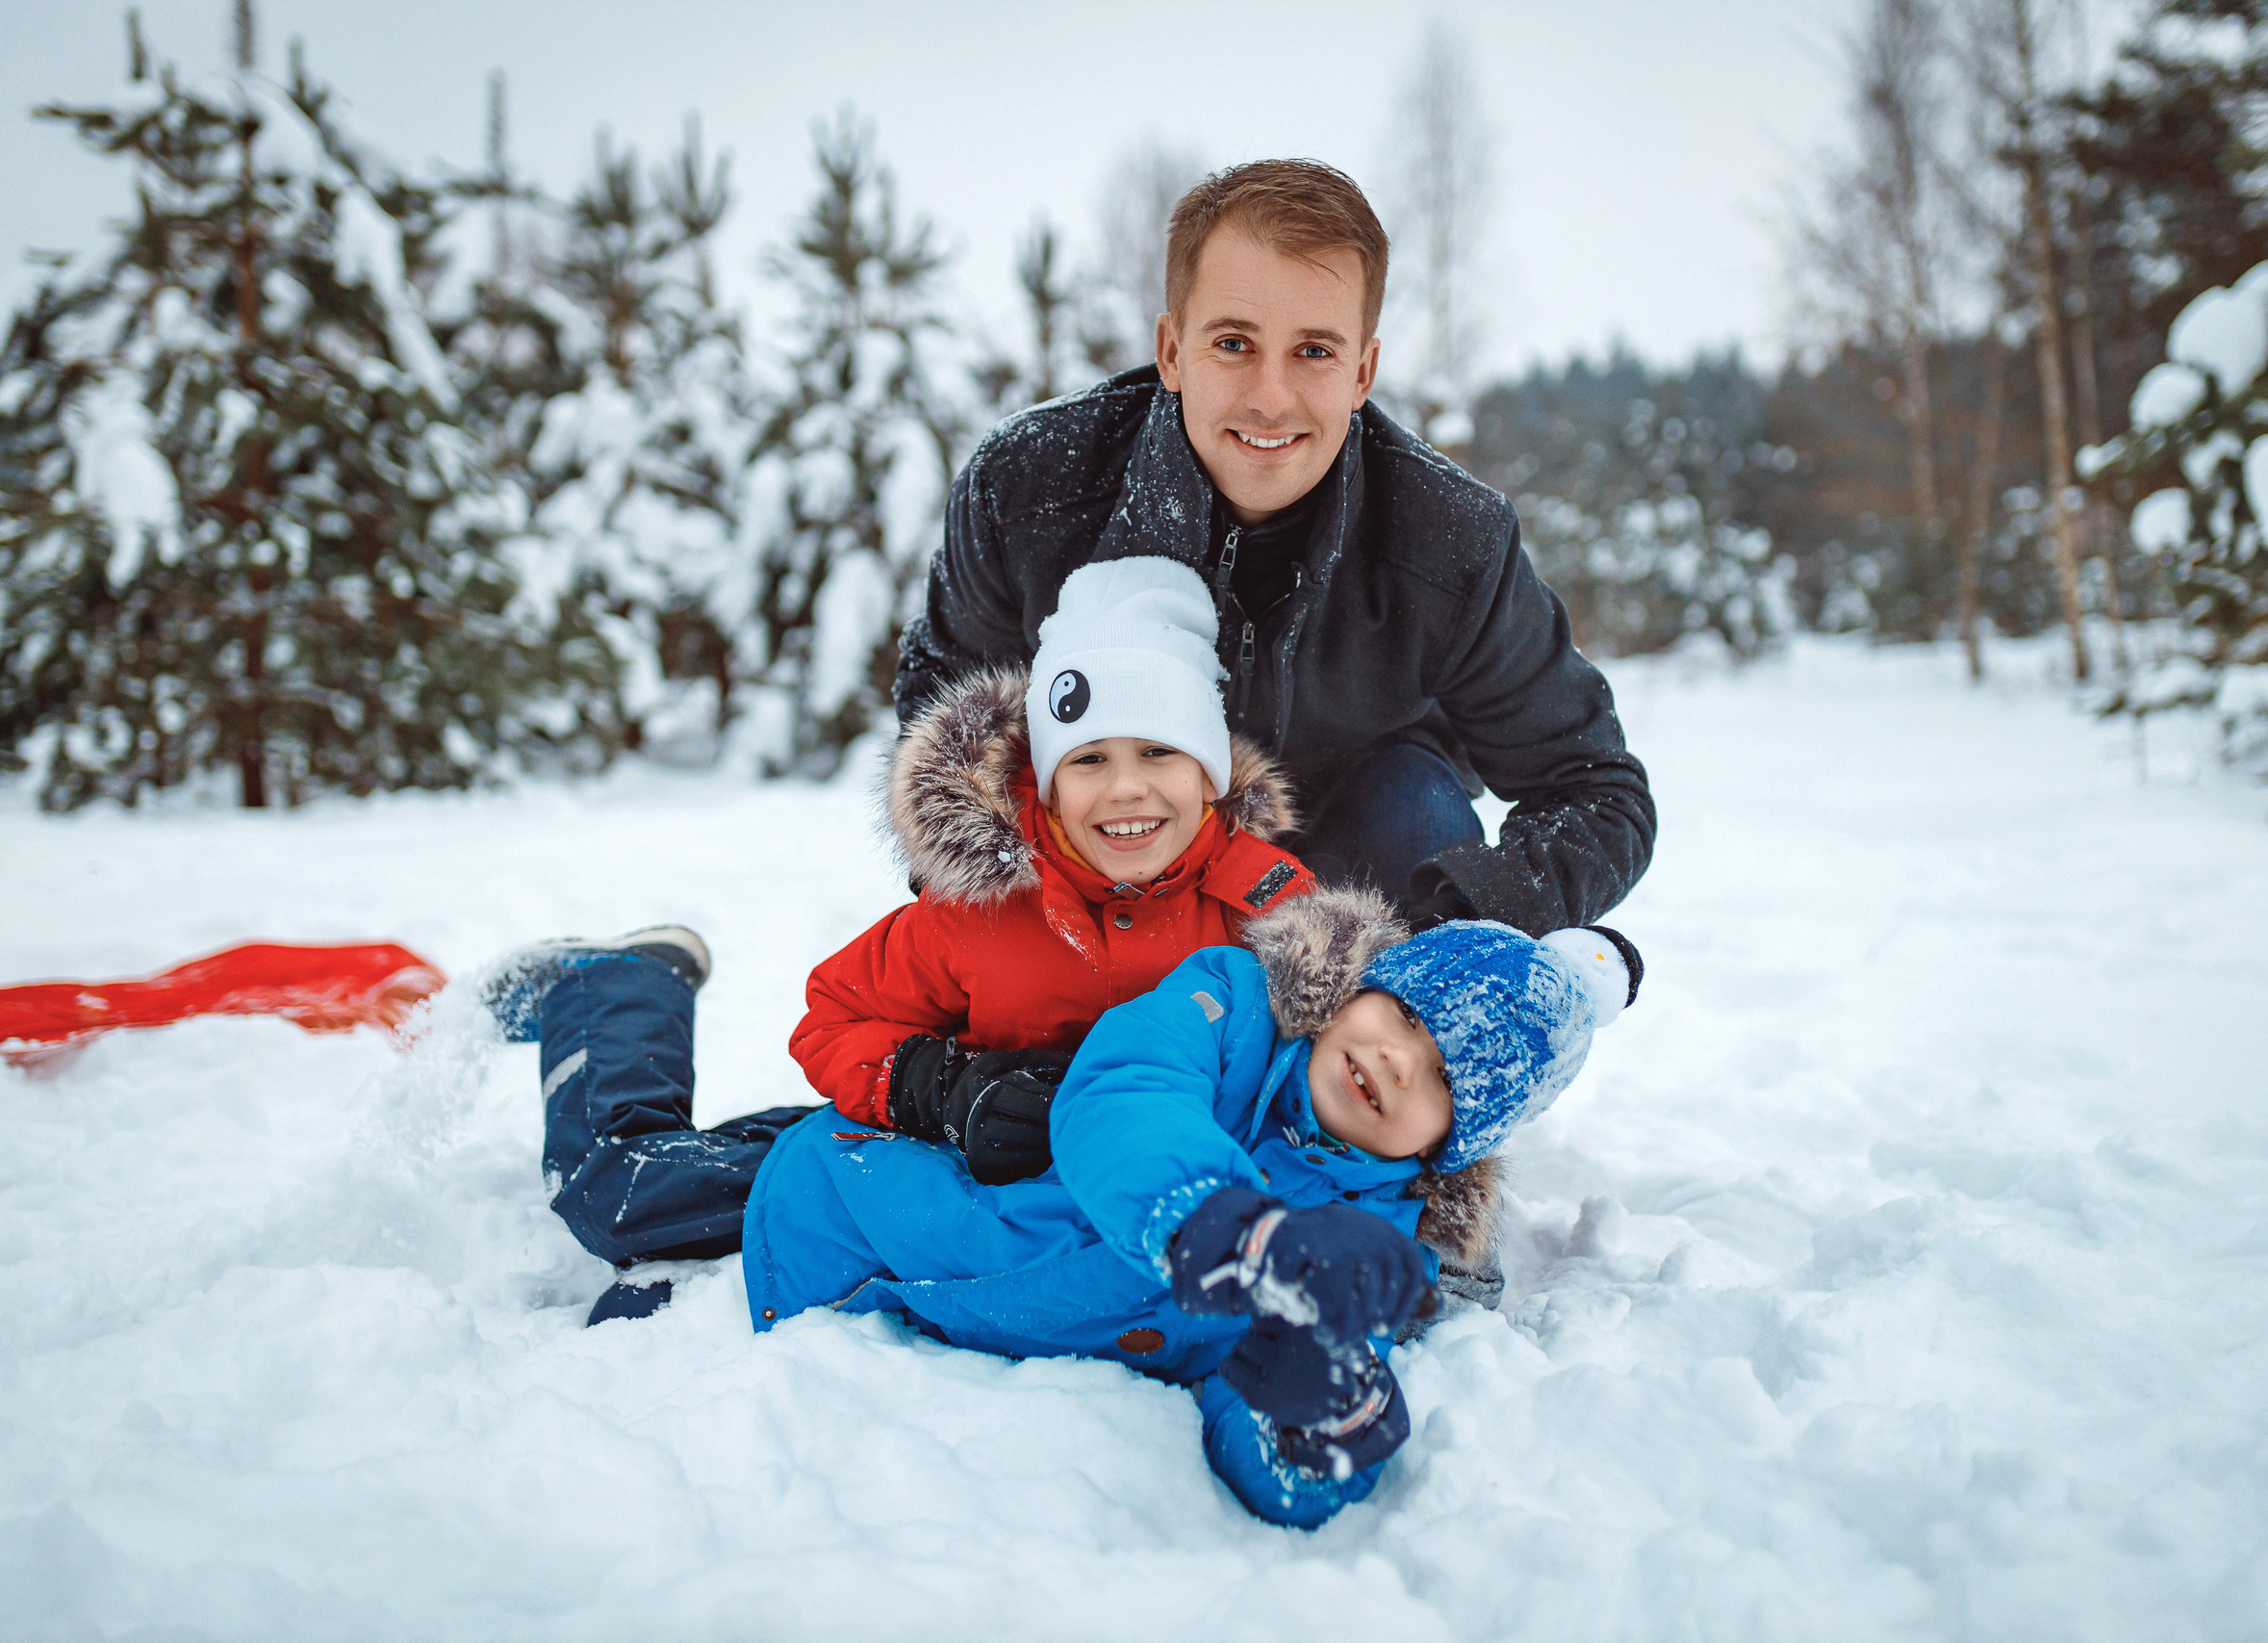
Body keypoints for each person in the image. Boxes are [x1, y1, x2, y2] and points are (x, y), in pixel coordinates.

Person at [489, 558, 1316, 1322]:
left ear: (1209, 771)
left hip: (1080, 1203)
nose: (1126, 788)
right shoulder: (984, 906)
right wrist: (944, 1090)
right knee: (626, 1200)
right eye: (1090, 758)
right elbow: (831, 1019)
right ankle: (614, 990)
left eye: (1161, 751)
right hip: (926, 1160)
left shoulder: (1273, 917)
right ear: (1048, 779)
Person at [895, 158, 1655, 938]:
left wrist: (1452, 931)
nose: (1270, 396)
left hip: (1362, 879)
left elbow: (1597, 790)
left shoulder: (1450, 541)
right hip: (1105, 884)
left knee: (1414, 803)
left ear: (1363, 371)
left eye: (1315, 352)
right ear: (1172, 351)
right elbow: (949, 742)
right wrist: (1002, 974)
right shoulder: (1028, 489)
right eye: (1233, 343)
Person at [742, 886, 1644, 1527]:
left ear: (1455, 1141)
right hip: (835, 1203)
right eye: (1406, 1015)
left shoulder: (1369, 1242)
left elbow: (1258, 1425)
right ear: (1365, 983)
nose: (1402, 1060)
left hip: (914, 1345)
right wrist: (1227, 1226)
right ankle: (626, 995)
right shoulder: (1231, 1003)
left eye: (1447, 1077)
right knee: (637, 1190)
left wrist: (1323, 1417)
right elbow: (1127, 1095)